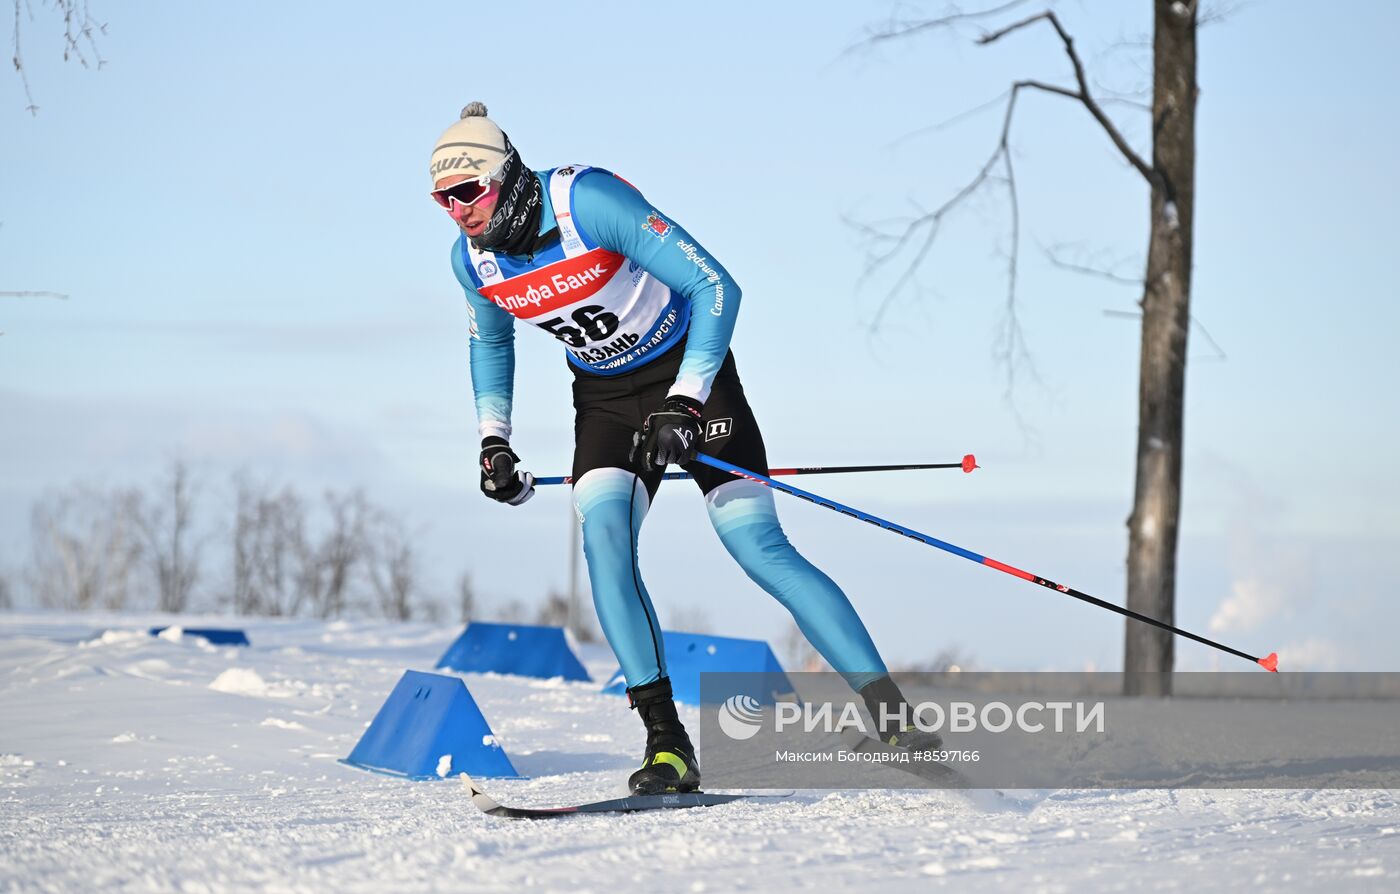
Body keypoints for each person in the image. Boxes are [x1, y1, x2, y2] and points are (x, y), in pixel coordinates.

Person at [431, 102, 939, 795]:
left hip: (695, 381)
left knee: (758, 548)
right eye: (441, 198)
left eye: (467, 191)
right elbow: (490, 342)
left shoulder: (587, 202)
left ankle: (896, 722)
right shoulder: (474, 261)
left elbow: (716, 286)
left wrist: (687, 401)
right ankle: (667, 743)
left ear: (506, 175)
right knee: (603, 539)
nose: (456, 209)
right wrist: (494, 442)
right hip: (606, 402)